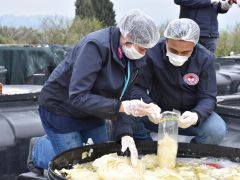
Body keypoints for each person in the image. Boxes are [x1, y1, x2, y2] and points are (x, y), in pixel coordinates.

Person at [27, 9, 160, 174]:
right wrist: (122, 107)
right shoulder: (95, 46)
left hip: (95, 108)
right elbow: (77, 96)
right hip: (62, 108)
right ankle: (39, 149)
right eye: (142, 49)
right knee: (74, 164)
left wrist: (125, 133)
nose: (144, 54)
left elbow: (123, 95)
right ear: (127, 36)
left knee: (100, 160)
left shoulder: (134, 57)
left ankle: (55, 145)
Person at [129, 18, 226, 145]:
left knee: (216, 130)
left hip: (189, 114)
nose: (179, 55)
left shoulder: (205, 58)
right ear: (166, 41)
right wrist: (150, 106)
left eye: (186, 52)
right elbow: (136, 87)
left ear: (194, 44)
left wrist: (196, 115)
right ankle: (147, 147)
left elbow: (208, 97)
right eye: (173, 50)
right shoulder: (152, 53)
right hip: (159, 113)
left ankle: (191, 153)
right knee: (127, 113)